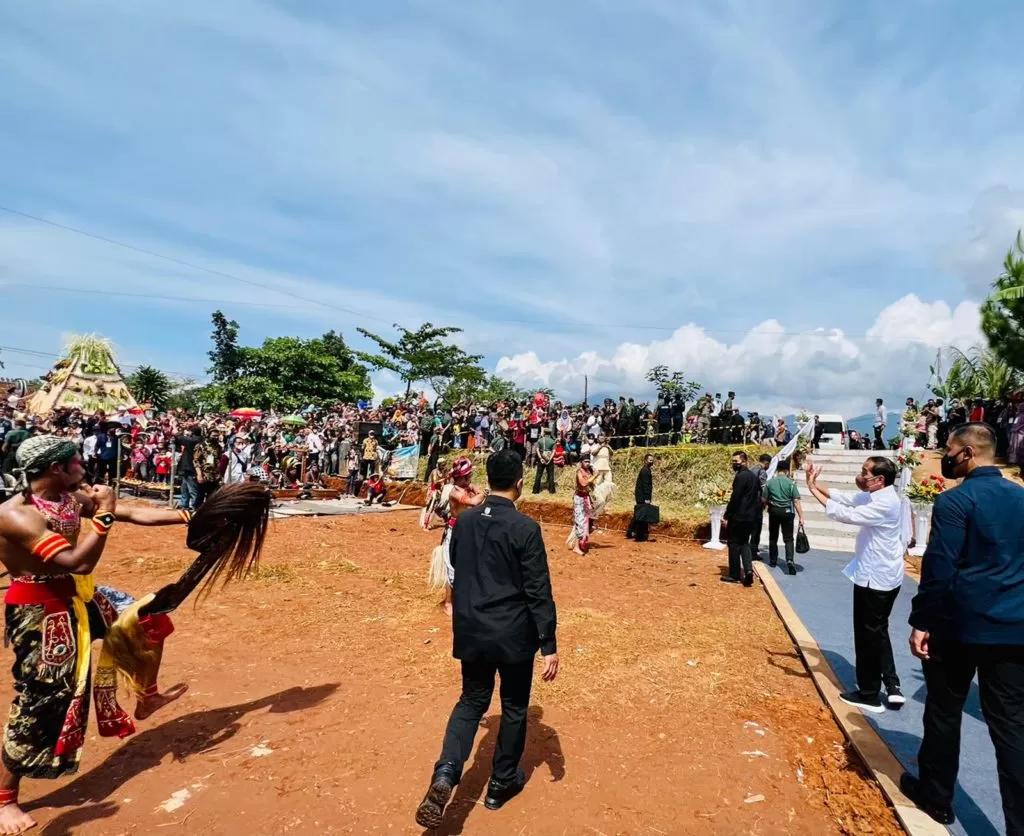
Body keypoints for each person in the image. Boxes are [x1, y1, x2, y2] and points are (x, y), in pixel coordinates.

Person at [0, 436, 195, 832]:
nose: (83, 465)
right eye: (76, 461)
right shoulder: (17, 515)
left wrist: (193, 515)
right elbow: (79, 561)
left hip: (78, 596)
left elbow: (133, 514)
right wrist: (103, 514)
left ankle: (148, 695)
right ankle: (5, 800)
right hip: (41, 610)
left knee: (149, 619)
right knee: (40, 700)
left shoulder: (68, 498)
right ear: (56, 468)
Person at [415, 450, 558, 829]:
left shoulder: (464, 523)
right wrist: (549, 643)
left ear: (488, 479)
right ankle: (500, 783)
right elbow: (538, 589)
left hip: (474, 628)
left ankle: (446, 773)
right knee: (513, 706)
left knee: (471, 701)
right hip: (514, 633)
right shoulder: (526, 528)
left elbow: (459, 568)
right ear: (519, 482)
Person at [901, 423, 1024, 828]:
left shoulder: (956, 502)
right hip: (1013, 628)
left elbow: (939, 570)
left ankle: (936, 797)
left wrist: (922, 621)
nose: (944, 457)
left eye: (949, 450)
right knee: (1011, 728)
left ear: (968, 453)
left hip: (959, 627)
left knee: (943, 711)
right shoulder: (1020, 498)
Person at [805, 455, 904, 713]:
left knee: (867, 635)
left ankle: (869, 693)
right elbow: (846, 498)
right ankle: (892, 685)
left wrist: (812, 490)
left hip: (876, 577)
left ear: (879, 480)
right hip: (881, 574)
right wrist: (816, 484)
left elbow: (844, 514)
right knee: (878, 631)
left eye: (865, 472)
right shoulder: (881, 495)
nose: (861, 476)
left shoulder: (884, 504)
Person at [428, 457, 485, 616]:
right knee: (452, 568)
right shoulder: (454, 492)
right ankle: (448, 602)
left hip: (467, 530)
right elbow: (473, 502)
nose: (470, 479)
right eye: (467, 476)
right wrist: (481, 492)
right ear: (460, 477)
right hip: (455, 532)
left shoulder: (465, 489)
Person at [722, 451, 761, 586]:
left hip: (739, 515)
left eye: (736, 461)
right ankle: (748, 570)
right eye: (733, 462)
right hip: (751, 516)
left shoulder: (740, 476)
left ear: (744, 461)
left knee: (733, 544)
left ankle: (734, 574)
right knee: (744, 543)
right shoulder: (753, 477)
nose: (734, 464)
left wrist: (727, 514)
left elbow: (736, 498)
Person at [763, 460, 804, 574]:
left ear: (777, 470)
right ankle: (790, 561)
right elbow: (796, 501)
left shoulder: (770, 482)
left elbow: (764, 499)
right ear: (787, 471)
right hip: (787, 512)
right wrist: (801, 517)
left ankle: (773, 560)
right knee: (788, 538)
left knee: (773, 536)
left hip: (774, 511)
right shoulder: (791, 483)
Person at [567, 454, 597, 556]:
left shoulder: (589, 471)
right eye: (585, 462)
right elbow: (583, 483)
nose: (587, 463)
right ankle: (576, 546)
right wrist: (595, 476)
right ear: (581, 462)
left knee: (589, 522)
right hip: (579, 499)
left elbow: (591, 485)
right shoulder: (579, 472)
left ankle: (582, 541)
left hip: (587, 498)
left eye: (589, 461)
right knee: (579, 522)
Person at [626, 454, 655, 542]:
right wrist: (647, 498)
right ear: (645, 460)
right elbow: (646, 486)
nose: (652, 462)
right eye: (650, 460)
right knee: (642, 516)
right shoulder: (645, 471)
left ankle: (630, 532)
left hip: (640, 496)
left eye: (652, 460)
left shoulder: (646, 470)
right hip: (642, 497)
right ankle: (640, 536)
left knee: (638, 515)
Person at [747, 454, 771, 556]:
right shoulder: (762, 472)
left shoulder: (750, 469)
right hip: (757, 503)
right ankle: (753, 551)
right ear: (766, 463)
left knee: (748, 526)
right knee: (756, 528)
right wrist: (767, 502)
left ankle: (745, 549)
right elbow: (764, 488)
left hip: (747, 502)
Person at [532, 426, 556, 495]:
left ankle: (535, 490)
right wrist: (549, 460)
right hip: (549, 459)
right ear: (550, 433)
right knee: (551, 475)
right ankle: (552, 490)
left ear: (544, 433)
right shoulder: (552, 441)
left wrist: (540, 458)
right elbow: (553, 451)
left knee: (538, 475)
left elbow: (537, 450)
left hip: (541, 458)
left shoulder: (540, 440)